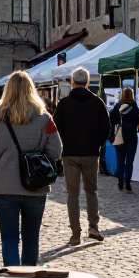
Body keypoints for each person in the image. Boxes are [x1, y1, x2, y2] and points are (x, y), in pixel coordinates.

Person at [0, 72, 62, 278]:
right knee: (31, 238)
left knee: (10, 238)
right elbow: (57, 149)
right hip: (35, 186)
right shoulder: (44, 118)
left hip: (4, 186)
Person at [53, 67, 111, 245]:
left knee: (73, 194)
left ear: (72, 82)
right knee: (91, 191)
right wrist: (97, 144)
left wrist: (63, 144)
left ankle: (75, 233)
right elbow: (106, 128)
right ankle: (93, 227)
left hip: (70, 153)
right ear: (87, 82)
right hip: (90, 154)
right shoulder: (97, 102)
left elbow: (55, 129)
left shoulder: (64, 104)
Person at [109, 87, 139, 192]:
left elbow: (111, 120)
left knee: (120, 160)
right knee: (129, 161)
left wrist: (112, 134)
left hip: (120, 134)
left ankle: (120, 180)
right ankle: (127, 182)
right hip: (131, 135)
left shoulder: (117, 106)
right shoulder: (134, 107)